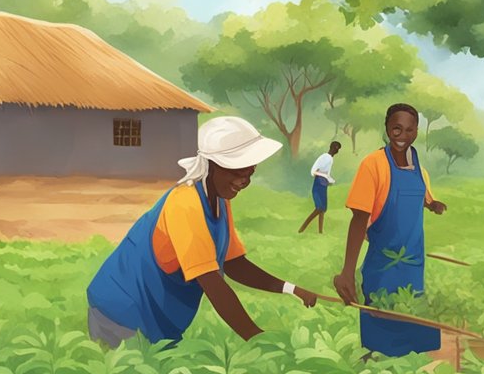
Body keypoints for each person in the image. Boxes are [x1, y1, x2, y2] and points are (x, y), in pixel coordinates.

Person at [86, 116, 318, 347]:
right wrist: (256, 337)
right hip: (121, 315)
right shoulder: (185, 203)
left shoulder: (219, 200)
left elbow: (234, 264)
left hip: (157, 319)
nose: (244, 180)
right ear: (210, 165)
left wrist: (292, 289)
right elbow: (212, 282)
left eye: (249, 172)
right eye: (237, 171)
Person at [334, 104, 446, 359]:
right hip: (383, 267)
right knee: (382, 340)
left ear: (416, 131)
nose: (402, 135)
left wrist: (433, 204)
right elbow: (359, 218)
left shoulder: (417, 164)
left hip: (413, 265)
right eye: (396, 128)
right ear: (386, 128)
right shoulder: (373, 165)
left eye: (409, 129)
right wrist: (347, 272)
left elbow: (422, 195)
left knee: (419, 339)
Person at [298, 141, 342, 233]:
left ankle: (320, 232)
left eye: (338, 149)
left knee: (323, 210)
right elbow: (314, 171)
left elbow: (326, 173)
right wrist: (325, 177)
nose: (336, 150)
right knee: (319, 208)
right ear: (332, 147)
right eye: (335, 147)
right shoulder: (326, 157)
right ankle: (302, 229)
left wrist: (329, 179)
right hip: (319, 184)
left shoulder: (330, 158)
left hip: (323, 184)